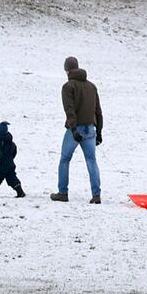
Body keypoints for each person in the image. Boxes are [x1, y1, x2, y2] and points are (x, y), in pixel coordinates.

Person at [51, 57, 103, 204]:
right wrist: (99, 131)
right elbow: (98, 110)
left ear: (67, 70)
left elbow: (70, 110)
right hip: (91, 128)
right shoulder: (91, 86)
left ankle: (62, 193)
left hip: (76, 129)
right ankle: (96, 195)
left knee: (65, 159)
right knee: (91, 161)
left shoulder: (68, 87)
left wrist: (73, 129)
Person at [0, 121, 25, 198]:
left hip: (1, 165)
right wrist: (10, 159)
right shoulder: (11, 143)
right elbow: (14, 152)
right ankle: (20, 192)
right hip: (10, 164)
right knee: (12, 178)